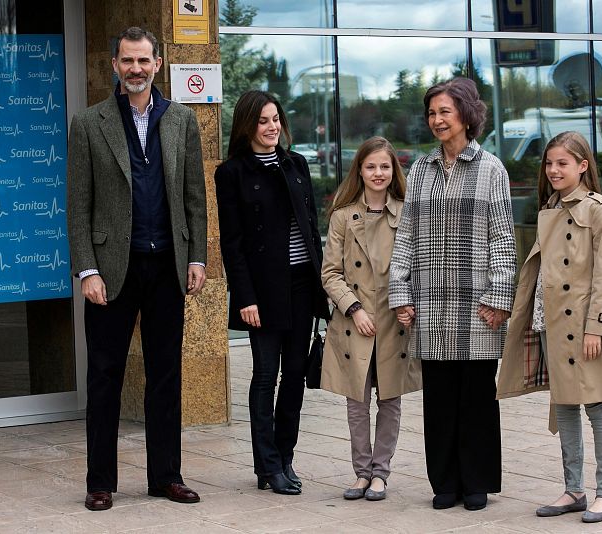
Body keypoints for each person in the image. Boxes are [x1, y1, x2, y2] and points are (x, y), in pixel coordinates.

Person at [67, 27, 206, 511]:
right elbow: (78, 204)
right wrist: (87, 270)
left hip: (167, 265)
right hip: (111, 269)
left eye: (144, 61)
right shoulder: (89, 123)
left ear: (158, 65)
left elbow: (194, 196)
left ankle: (166, 476)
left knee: (166, 375)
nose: (136, 70)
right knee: (105, 375)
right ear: (114, 65)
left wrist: (196, 257)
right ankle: (100, 481)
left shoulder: (182, 120)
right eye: (127, 61)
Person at [388, 77, 516, 512]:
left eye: (445, 111)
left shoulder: (491, 168)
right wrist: (400, 291)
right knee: (440, 398)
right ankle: (445, 482)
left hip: (477, 304)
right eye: (432, 113)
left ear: (466, 114)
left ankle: (476, 481)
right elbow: (405, 235)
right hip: (431, 305)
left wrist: (500, 295)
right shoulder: (421, 169)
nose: (437, 120)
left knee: (476, 397)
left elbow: (502, 237)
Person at [496, 131, 602, 523]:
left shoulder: (599, 209)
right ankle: (573, 490)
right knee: (564, 405)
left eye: (561, 163)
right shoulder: (549, 207)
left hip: (584, 326)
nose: (553, 170)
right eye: (549, 163)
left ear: (583, 166)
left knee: (597, 406)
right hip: (549, 321)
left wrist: (596, 329)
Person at [214, 90, 329, 495]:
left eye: (276, 119)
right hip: (262, 292)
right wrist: (244, 297)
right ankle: (266, 465)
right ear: (247, 125)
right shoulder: (231, 173)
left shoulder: (296, 164)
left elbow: (311, 228)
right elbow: (233, 244)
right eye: (263, 121)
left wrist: (323, 283)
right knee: (265, 376)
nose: (272, 127)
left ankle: (284, 457)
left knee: (295, 375)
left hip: (302, 285)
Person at [320, 137, 422, 502]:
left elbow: (417, 268)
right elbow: (330, 273)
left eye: (384, 166)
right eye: (370, 166)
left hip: (394, 321)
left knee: (390, 400)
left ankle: (381, 473)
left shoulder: (408, 212)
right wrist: (354, 308)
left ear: (393, 170)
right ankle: (361, 473)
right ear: (359, 171)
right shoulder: (344, 216)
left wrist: (407, 304)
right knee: (356, 402)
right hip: (356, 321)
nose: (378, 173)